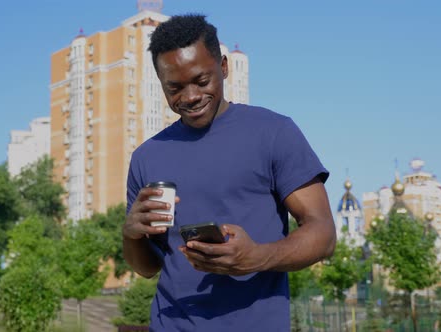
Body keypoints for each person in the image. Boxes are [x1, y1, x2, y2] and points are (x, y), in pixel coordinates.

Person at [122, 14, 336, 331]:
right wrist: (131, 235)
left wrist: (257, 257)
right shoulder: (146, 157)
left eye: (202, 80)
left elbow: (324, 234)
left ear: (224, 67)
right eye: (175, 87)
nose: (191, 96)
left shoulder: (274, 132)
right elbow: (148, 267)